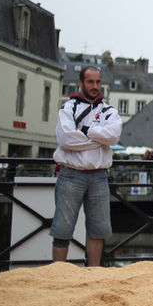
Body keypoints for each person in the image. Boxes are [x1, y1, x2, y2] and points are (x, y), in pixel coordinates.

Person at [51, 66, 122, 266]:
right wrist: (99, 138)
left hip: (99, 175)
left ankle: (93, 272)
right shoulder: (68, 108)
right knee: (62, 228)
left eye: (98, 82)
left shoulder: (109, 111)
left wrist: (86, 130)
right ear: (81, 83)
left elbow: (114, 136)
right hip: (71, 174)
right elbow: (66, 140)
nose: (95, 86)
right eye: (90, 82)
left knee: (98, 229)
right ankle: (58, 274)